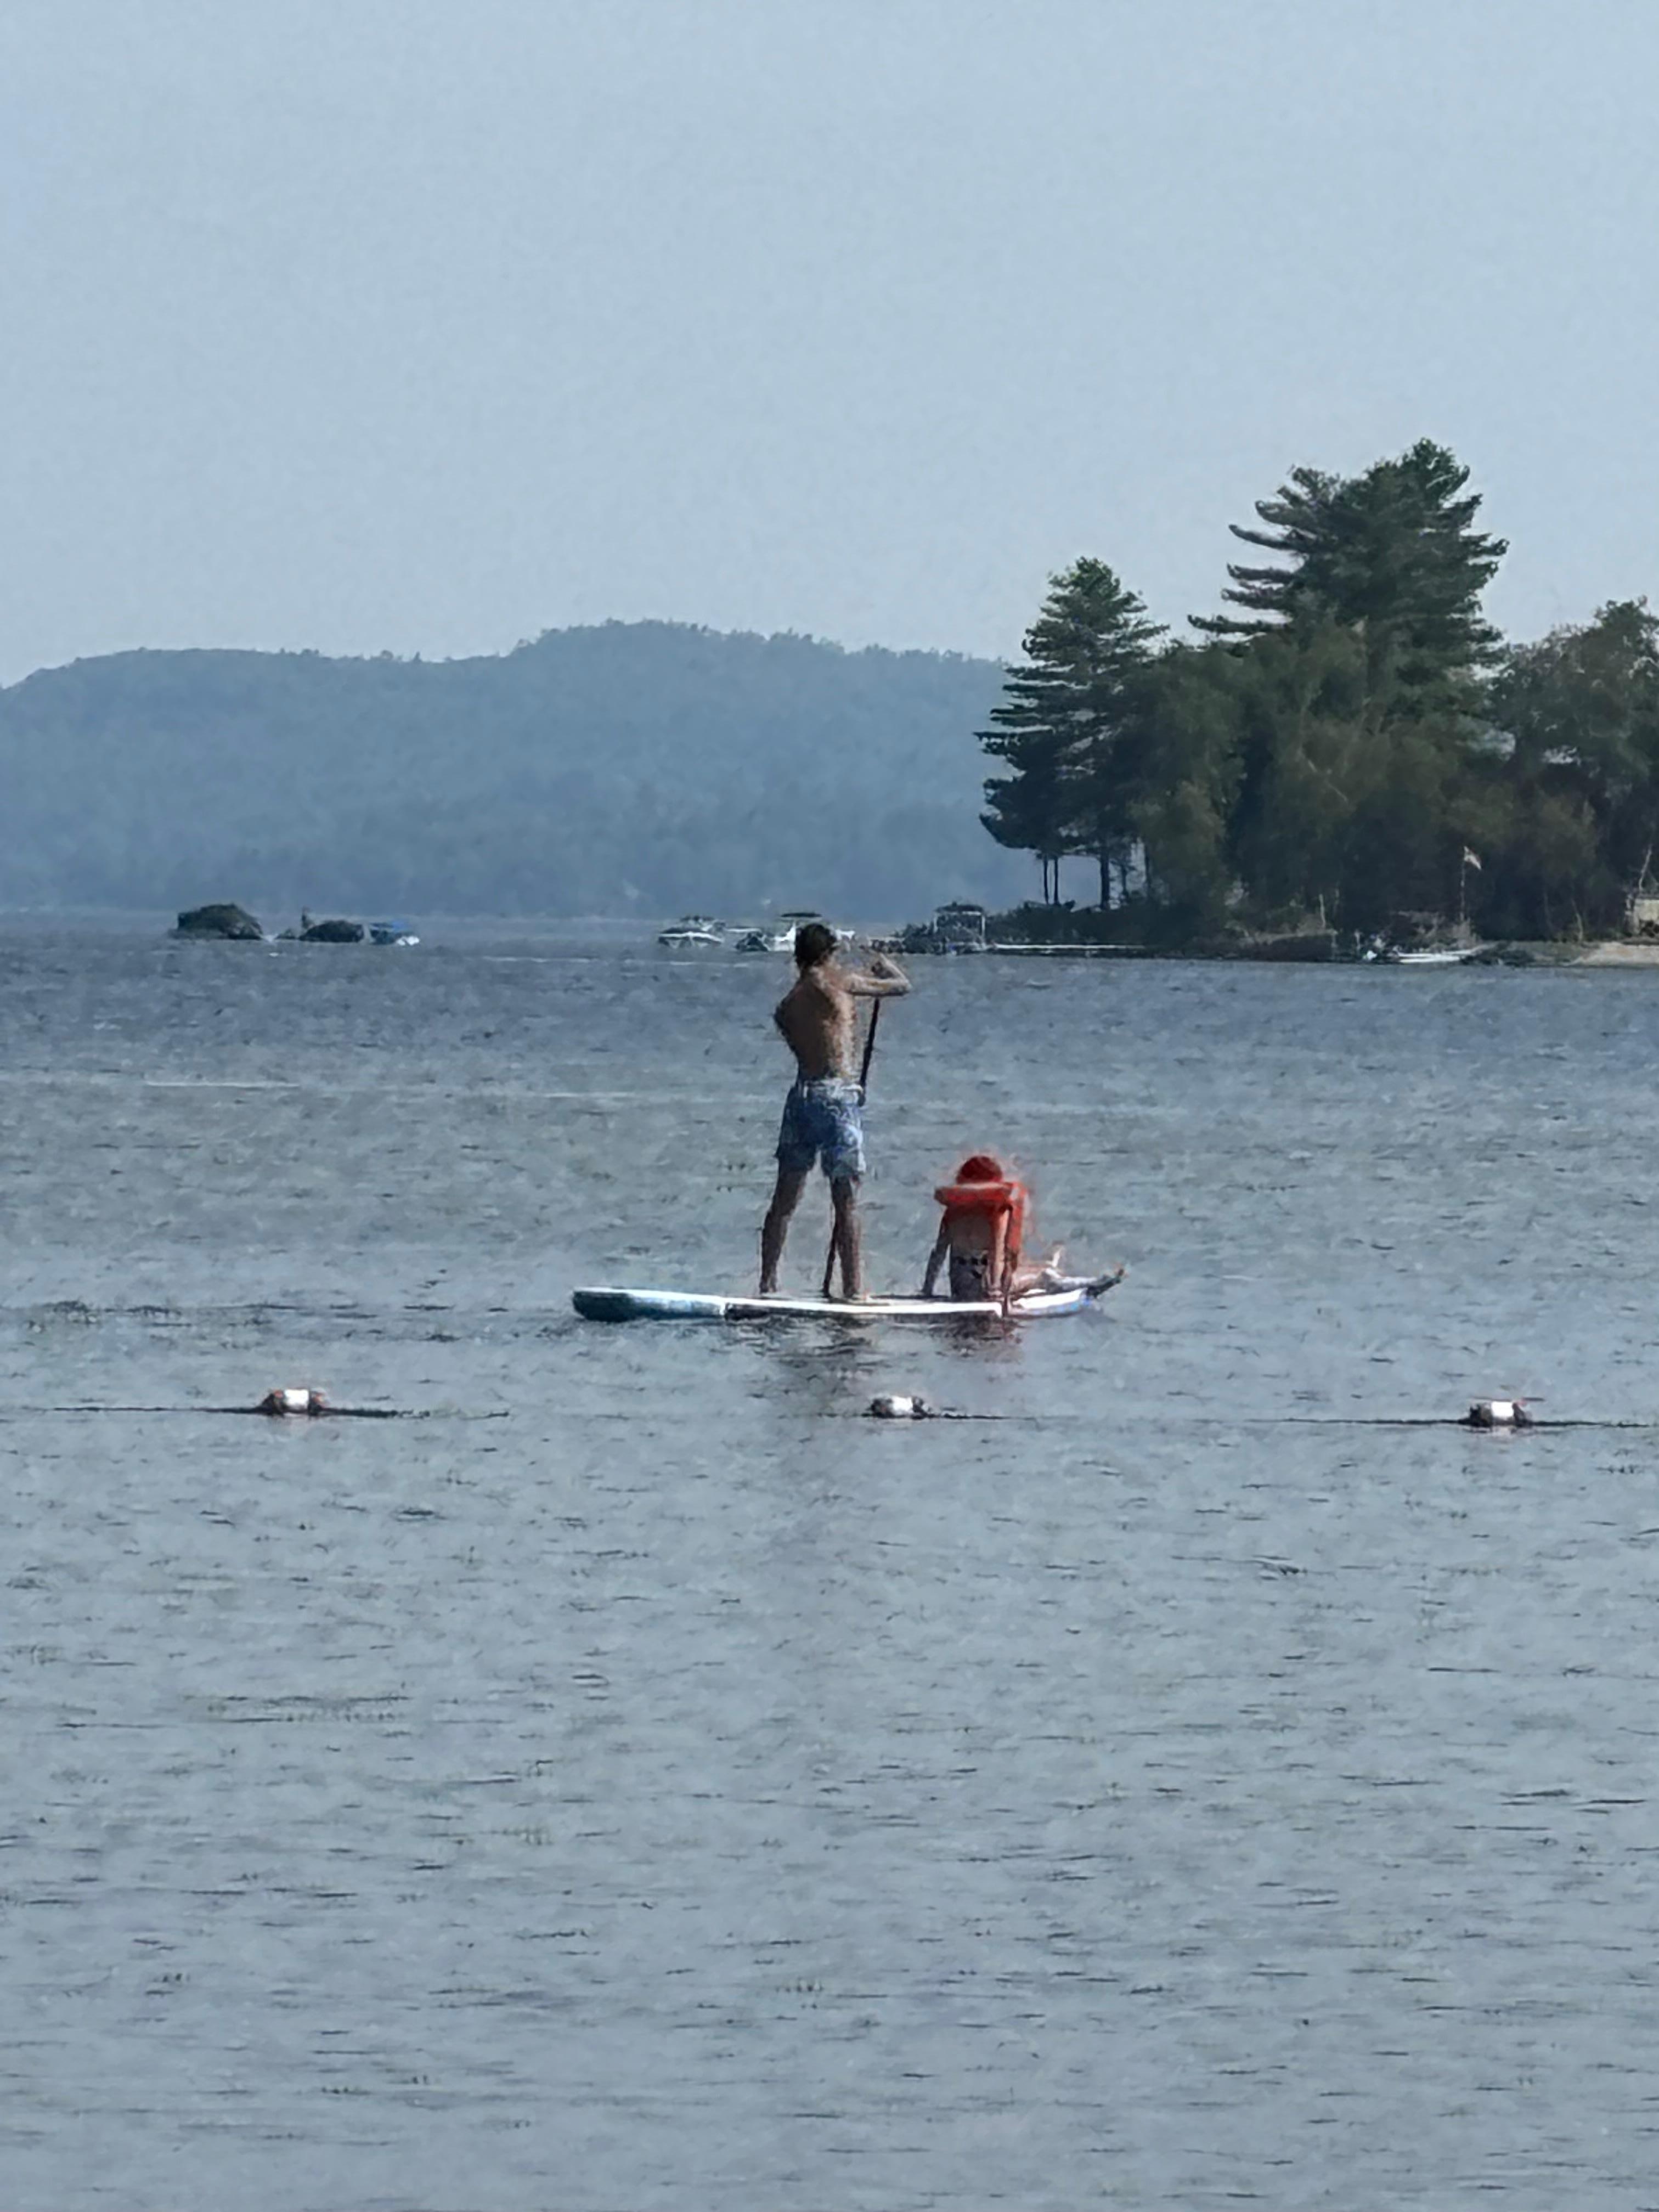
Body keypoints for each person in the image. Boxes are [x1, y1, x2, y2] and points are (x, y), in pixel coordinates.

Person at [759, 922, 910, 1299]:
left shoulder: (785, 1007)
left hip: (801, 1096)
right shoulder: (837, 983)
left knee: (784, 1199)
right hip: (836, 1096)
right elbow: (901, 986)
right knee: (846, 1199)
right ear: (827, 955)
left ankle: (768, 1282)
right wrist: (882, 962)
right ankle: (854, 1290)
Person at [921, 1152, 1124, 1305]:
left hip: (960, 1286)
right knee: (1042, 1276)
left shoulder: (954, 1211)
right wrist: (994, 1292)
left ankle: (1051, 1267)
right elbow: (997, 1254)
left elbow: (938, 1254)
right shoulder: (999, 1211)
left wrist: (927, 1291)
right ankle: (1093, 1283)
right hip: (985, 1287)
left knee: (1031, 1269)